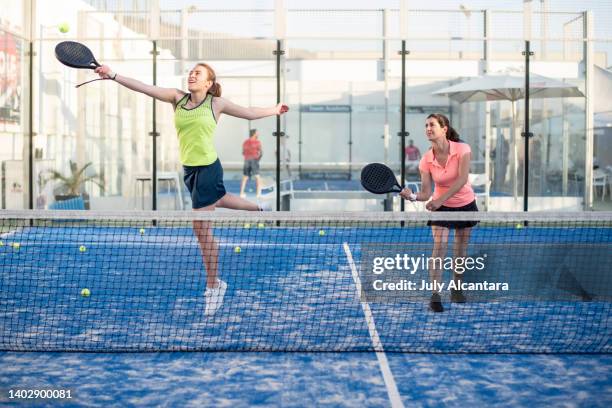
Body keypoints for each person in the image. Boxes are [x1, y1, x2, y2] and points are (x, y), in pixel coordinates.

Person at [94, 63, 288, 316]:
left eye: (199, 73)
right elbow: (144, 88)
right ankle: (261, 209)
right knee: (219, 198)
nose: (192, 75)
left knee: (200, 227)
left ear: (209, 83)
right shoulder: (177, 98)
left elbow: (249, 112)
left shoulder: (216, 104)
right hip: (190, 170)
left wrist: (274, 110)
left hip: (208, 167)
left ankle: (214, 285)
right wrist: (113, 75)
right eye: (191, 72)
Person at [399, 113, 477, 313]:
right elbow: (426, 193)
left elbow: (462, 179)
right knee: (440, 246)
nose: (428, 128)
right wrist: (413, 197)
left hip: (465, 204)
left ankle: (457, 288)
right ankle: (435, 295)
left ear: (444, 129)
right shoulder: (425, 160)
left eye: (432, 125)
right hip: (440, 207)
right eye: (426, 125)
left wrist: (438, 200)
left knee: (460, 249)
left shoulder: (462, 149)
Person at [240, 129, 263, 198]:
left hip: (247, 160)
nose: (258, 134)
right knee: (257, 177)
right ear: (254, 134)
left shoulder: (245, 142)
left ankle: (241, 193)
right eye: (257, 133)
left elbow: (243, 152)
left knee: (245, 177)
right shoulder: (257, 142)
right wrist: (257, 160)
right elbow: (261, 152)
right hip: (254, 160)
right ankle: (258, 194)